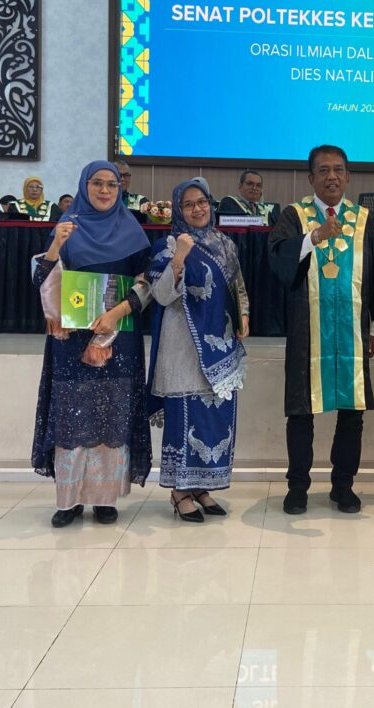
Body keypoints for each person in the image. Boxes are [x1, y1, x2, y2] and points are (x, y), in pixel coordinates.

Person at [30, 161, 153, 527]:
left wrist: (116, 314)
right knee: (72, 416)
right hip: (72, 342)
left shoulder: (132, 230)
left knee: (112, 413)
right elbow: (41, 280)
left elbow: (146, 284)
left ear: (120, 189)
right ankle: (69, 501)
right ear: (84, 186)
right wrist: (56, 245)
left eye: (112, 185)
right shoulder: (67, 228)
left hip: (118, 339)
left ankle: (104, 499)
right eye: (97, 183)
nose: (104, 190)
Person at [267, 145, 374, 515]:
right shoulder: (294, 216)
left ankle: (343, 485)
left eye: (338, 170)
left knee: (352, 413)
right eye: (323, 170)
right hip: (308, 333)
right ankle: (297, 487)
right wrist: (314, 237)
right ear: (310, 178)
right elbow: (277, 261)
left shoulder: (364, 220)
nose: (331, 176)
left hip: (353, 333)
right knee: (300, 412)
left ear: (348, 176)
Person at [147, 178, 249, 522]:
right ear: (178, 210)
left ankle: (201, 487)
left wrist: (244, 314)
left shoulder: (224, 244)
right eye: (188, 204)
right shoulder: (167, 245)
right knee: (185, 416)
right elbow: (161, 295)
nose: (197, 209)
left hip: (220, 342)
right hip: (183, 346)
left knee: (214, 416)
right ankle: (180, 491)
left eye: (202, 202)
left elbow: (237, 286)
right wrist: (179, 257)